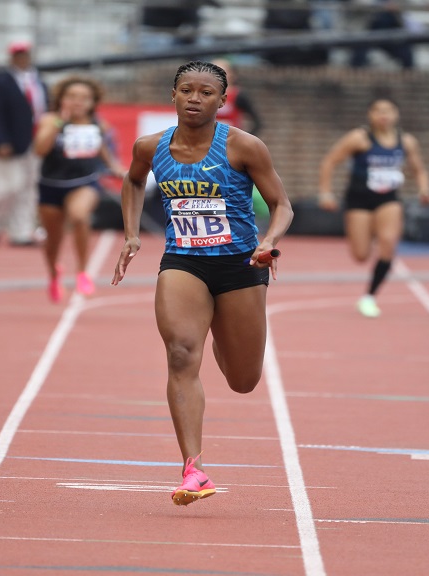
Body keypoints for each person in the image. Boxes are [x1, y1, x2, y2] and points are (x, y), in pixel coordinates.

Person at [112, 61, 293, 505]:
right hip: (183, 262)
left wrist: (269, 240)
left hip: (240, 266)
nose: (195, 98)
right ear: (173, 95)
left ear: (221, 101)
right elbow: (133, 182)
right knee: (178, 353)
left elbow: (282, 204)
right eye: (187, 90)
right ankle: (194, 469)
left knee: (243, 379)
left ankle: (221, 335)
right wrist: (132, 232)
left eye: (206, 92)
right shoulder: (150, 147)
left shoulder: (243, 147)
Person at [318, 98, 429, 318]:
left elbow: (419, 169)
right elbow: (329, 162)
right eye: (378, 110)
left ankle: (369, 297)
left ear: (396, 114)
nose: (384, 115)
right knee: (361, 255)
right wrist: (325, 193)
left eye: (389, 110)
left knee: (388, 243)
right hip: (359, 200)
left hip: (388, 199)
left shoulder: (406, 141)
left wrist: (425, 189)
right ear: (370, 115)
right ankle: (368, 231)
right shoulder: (359, 138)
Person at [34, 76, 125, 303]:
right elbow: (39, 149)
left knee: (79, 215)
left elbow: (105, 151)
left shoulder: (97, 124)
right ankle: (54, 275)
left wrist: (116, 168)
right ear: (62, 99)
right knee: (53, 240)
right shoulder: (50, 120)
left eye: (84, 98)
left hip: (83, 183)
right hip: (50, 186)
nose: (78, 102)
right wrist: (59, 123)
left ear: (93, 102)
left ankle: (83, 272)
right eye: (72, 97)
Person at [0, 40, 48, 247]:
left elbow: (44, 110)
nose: (22, 58)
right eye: (18, 55)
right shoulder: (2, 81)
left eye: (25, 54)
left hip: (36, 143)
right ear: (11, 57)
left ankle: (21, 232)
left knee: (29, 189)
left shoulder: (38, 81)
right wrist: (2, 140)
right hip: (11, 143)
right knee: (9, 188)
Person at [210, 58, 262, 136]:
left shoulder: (238, 95)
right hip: (206, 142)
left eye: (221, 72)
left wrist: (244, 139)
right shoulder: (202, 95)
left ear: (231, 74)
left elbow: (257, 122)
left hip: (229, 142)